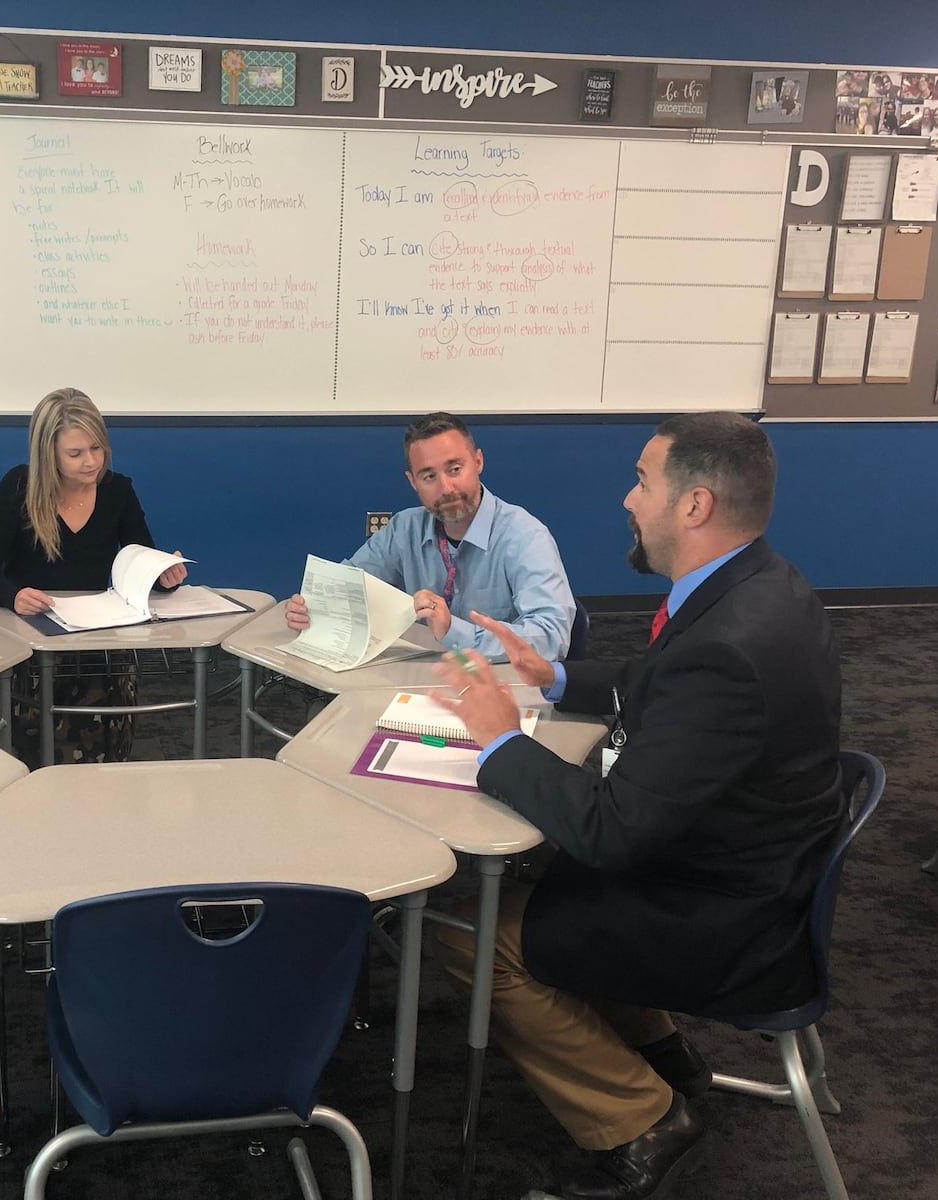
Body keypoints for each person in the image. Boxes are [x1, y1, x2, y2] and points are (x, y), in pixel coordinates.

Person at [428, 412, 843, 1200]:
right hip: (747, 867)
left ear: (693, 506)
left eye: (643, 481)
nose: (628, 499)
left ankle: (644, 1123)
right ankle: (662, 1055)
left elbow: (608, 832)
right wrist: (548, 676)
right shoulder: (763, 587)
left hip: (727, 918)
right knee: (532, 877)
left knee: (473, 932)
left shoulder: (726, 644)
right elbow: (665, 682)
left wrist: (497, 741)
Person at [0, 387, 185, 764]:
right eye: (76, 453)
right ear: (48, 454)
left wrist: (162, 574)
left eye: (97, 449)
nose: (91, 462)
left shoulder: (118, 491)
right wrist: (13, 596)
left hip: (99, 637)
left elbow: (139, 558)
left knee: (106, 719)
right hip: (32, 640)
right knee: (42, 742)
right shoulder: (20, 488)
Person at [285, 412, 575, 663]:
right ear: (413, 482)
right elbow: (348, 586)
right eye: (429, 476)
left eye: (455, 469)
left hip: (498, 686)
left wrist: (454, 630)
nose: (446, 487)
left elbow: (552, 636)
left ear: (478, 462)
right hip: (422, 678)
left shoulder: (525, 536)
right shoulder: (405, 528)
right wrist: (313, 606)